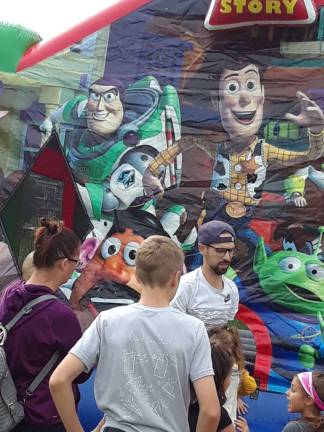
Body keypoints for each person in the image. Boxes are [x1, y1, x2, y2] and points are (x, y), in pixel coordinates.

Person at [49, 235, 220, 432]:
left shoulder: (107, 321)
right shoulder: (194, 329)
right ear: (176, 278)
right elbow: (211, 411)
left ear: (137, 275)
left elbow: (59, 381)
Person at [0, 217, 87, 432]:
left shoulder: (10, 293)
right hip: (42, 416)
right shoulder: (60, 316)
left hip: (8, 409)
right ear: (64, 263)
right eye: (78, 262)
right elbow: (81, 372)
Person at [171, 220, 239, 329]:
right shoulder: (186, 286)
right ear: (202, 249)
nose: (227, 257)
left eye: (230, 250)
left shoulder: (232, 289)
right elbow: (172, 329)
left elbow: (226, 329)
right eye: (220, 250)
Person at [188, 328, 250, 432]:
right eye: (229, 376)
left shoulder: (185, 405)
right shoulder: (219, 417)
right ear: (221, 378)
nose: (230, 380)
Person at [208, 327, 256, 422]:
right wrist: (237, 396)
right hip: (229, 419)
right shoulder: (237, 370)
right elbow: (251, 386)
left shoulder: (210, 367)